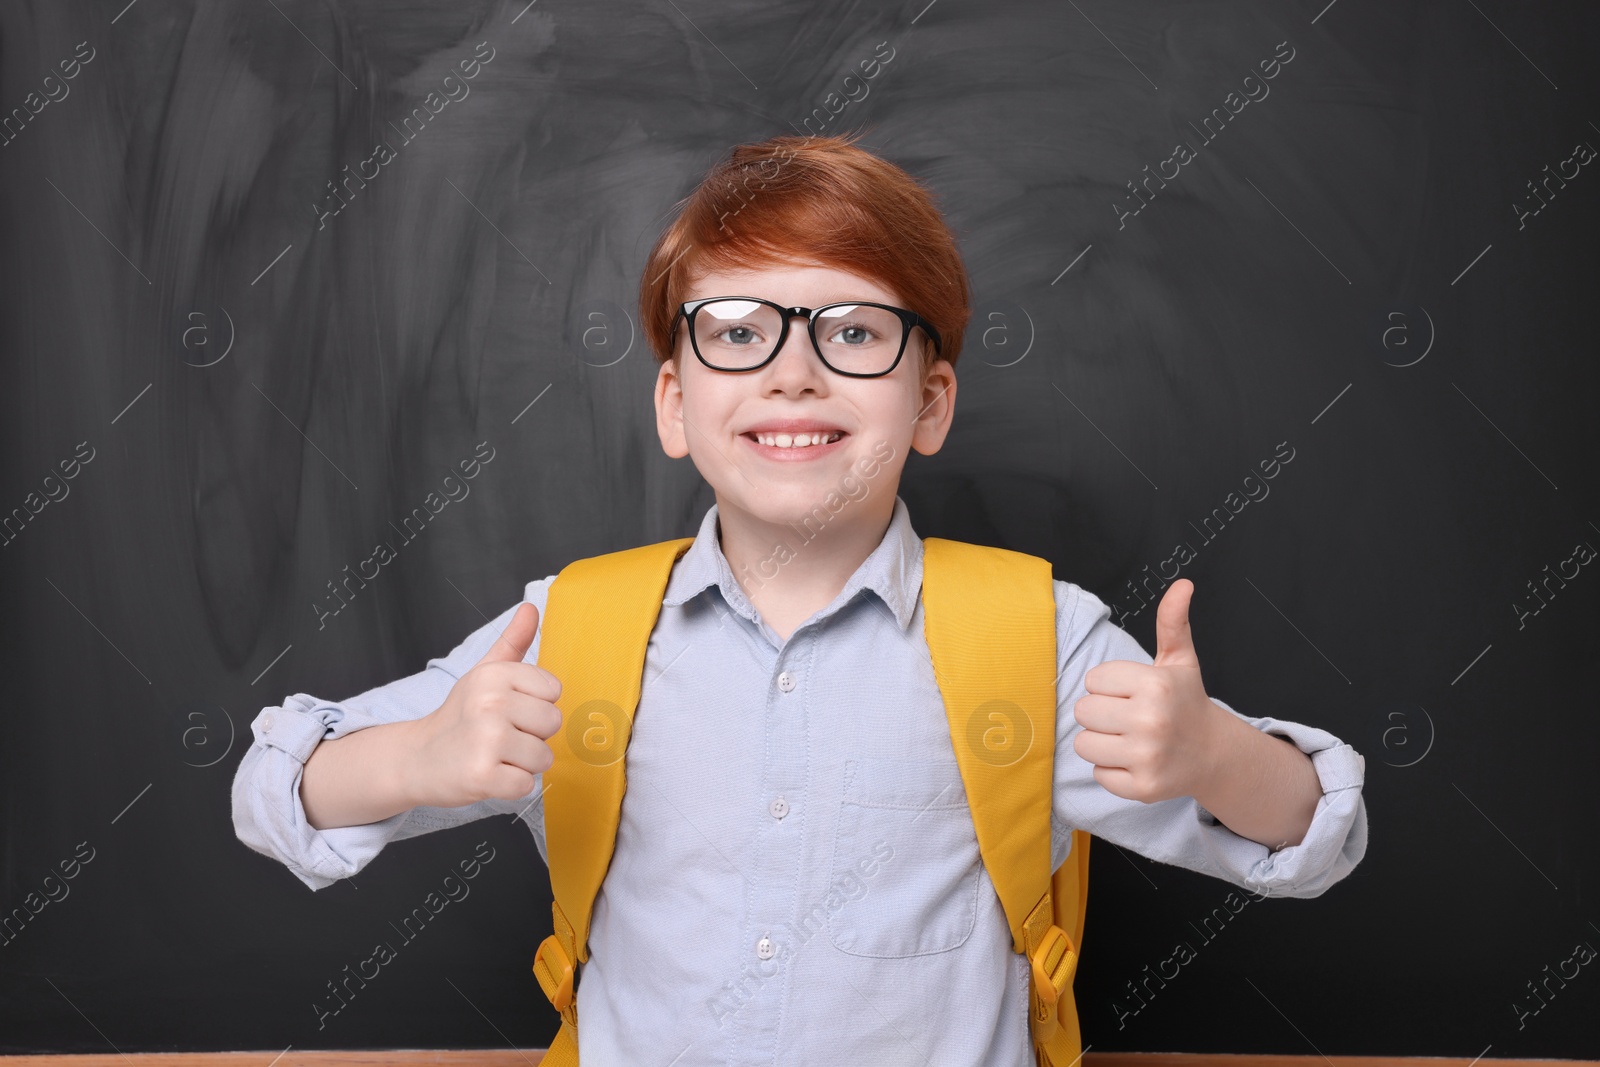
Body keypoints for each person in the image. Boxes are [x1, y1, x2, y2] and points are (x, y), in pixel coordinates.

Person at [231, 131, 1367, 1065]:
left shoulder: (1043, 641)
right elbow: (272, 789)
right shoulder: (568, 632)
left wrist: (1213, 756)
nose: (792, 370)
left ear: (930, 401)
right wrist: (415, 758)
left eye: (855, 331)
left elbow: (1318, 835)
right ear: (674, 404)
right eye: (736, 332)